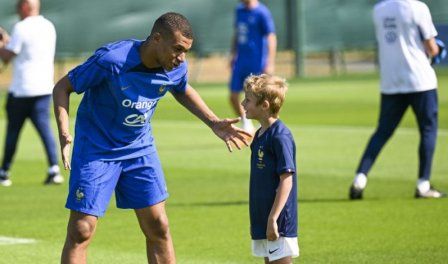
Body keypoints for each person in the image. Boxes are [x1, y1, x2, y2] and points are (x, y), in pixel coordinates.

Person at [53, 12, 252, 263]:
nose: (181, 58)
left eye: (186, 52)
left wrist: (213, 122)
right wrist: (64, 132)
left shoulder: (176, 67)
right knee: (81, 230)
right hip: (97, 150)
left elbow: (180, 88)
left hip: (139, 149)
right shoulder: (112, 60)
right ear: (157, 38)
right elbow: (63, 86)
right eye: (177, 49)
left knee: (158, 226)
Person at [349, 0, 447, 200]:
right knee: (428, 130)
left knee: (382, 132)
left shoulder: (379, 10)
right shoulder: (418, 7)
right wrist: (438, 49)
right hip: (420, 81)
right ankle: (423, 184)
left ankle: (360, 179)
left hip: (391, 81)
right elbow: (432, 48)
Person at [0, 0, 62, 187]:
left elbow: (7, 56)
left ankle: (4, 173)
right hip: (43, 89)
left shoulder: (21, 27)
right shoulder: (48, 26)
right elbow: (25, 49)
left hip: (21, 90)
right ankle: (54, 169)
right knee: (46, 132)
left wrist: (2, 43)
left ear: (25, 7)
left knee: (13, 133)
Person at [241, 74, 299, 263]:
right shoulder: (259, 135)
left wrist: (273, 218)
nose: (242, 104)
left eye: (248, 100)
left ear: (264, 105)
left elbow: (286, 180)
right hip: (263, 216)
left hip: (278, 220)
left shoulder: (280, 137)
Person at [229, 0, 277, 134]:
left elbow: (271, 37)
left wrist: (270, 62)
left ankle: (269, 128)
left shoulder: (262, 12)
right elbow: (237, 33)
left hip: (257, 62)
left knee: (263, 99)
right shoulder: (239, 10)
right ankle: (246, 123)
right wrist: (233, 53)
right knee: (233, 96)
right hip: (240, 62)